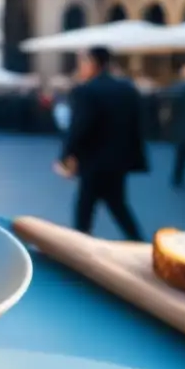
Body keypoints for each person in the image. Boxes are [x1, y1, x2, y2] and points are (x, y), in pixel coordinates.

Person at [57, 46, 146, 240]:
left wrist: (65, 156)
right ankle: (139, 242)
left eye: (82, 63)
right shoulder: (127, 89)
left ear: (92, 63)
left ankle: (80, 247)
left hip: (93, 161)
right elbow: (136, 126)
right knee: (117, 204)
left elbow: (79, 127)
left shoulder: (86, 90)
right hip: (119, 161)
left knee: (85, 208)